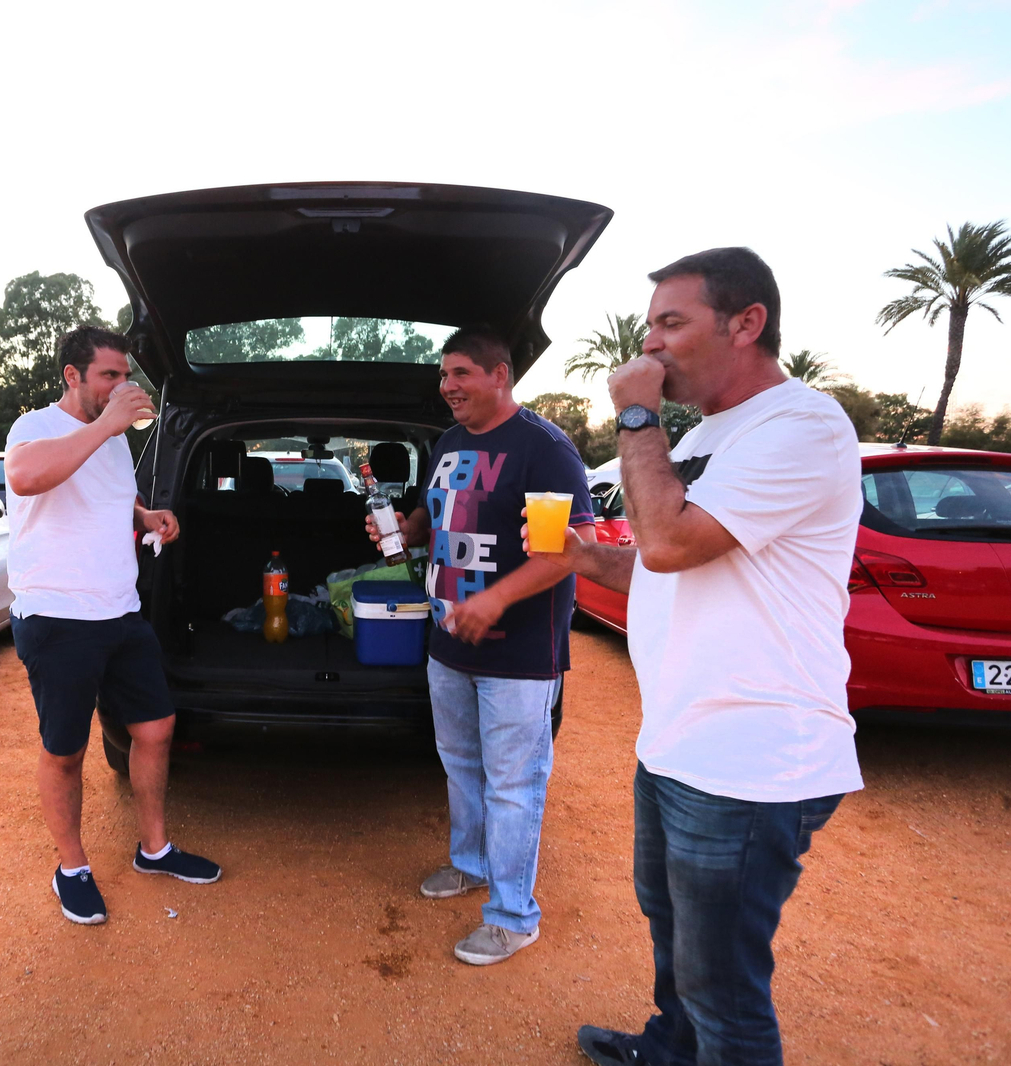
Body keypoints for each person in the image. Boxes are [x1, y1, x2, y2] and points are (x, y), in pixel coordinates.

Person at [547, 249, 864, 1066]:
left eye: (670, 323)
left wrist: (636, 415)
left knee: (721, 982)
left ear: (746, 322)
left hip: (754, 760)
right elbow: (668, 567)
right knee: (674, 933)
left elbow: (671, 542)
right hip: (679, 741)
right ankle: (670, 1048)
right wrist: (588, 558)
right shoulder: (707, 434)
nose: (650, 344)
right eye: (649, 325)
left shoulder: (802, 426)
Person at [369, 325, 595, 966]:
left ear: (500, 374)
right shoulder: (449, 443)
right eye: (444, 375)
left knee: (513, 785)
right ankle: (469, 864)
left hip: (517, 656)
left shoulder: (542, 448)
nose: (448, 386)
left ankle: (514, 917)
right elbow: (431, 513)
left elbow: (568, 550)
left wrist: (496, 599)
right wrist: (405, 529)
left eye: (461, 373)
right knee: (461, 766)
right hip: (448, 645)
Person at [4, 325, 221, 925]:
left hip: (120, 610)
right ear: (73, 376)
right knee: (66, 750)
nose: (121, 385)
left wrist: (146, 515)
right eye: (109, 375)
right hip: (57, 615)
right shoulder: (35, 426)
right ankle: (71, 868)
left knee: (155, 728)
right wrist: (106, 426)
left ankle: (154, 849)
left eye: (125, 376)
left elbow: (108, 497)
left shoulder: (117, 442)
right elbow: (25, 477)